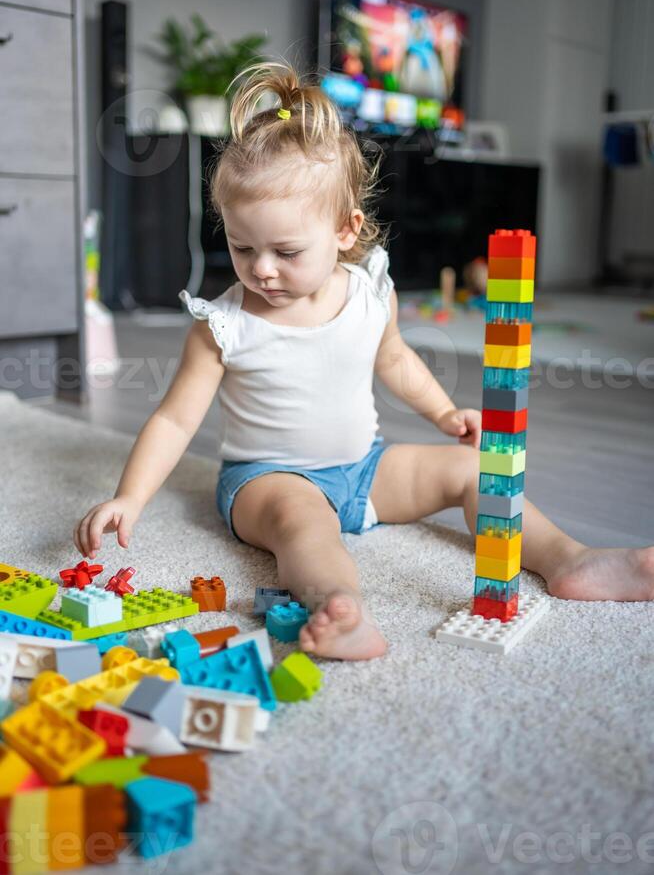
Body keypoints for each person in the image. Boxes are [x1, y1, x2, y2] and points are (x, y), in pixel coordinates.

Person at [74, 62, 654, 661]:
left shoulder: (370, 293)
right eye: (242, 247)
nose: (262, 268)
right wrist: (131, 497)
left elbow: (396, 360)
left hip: (365, 469)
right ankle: (339, 605)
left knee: (472, 469)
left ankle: (569, 560)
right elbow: (174, 420)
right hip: (268, 480)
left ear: (346, 231)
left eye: (286, 250)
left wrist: (445, 413)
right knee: (305, 524)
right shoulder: (223, 324)